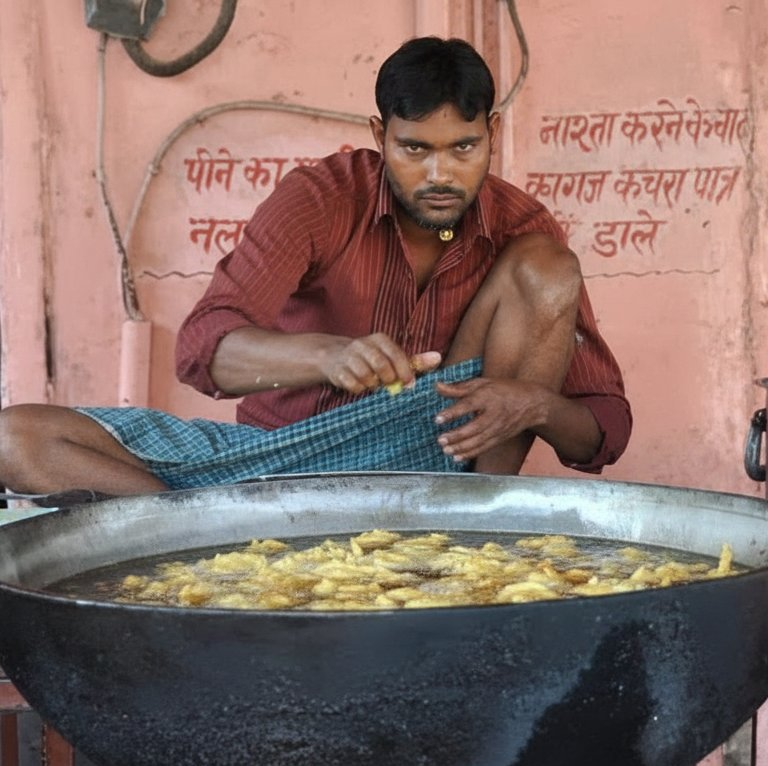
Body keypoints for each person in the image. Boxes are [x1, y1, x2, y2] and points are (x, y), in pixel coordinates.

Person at [0, 36, 631, 497]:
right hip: (276, 464)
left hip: (433, 473)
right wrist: (326, 355)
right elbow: (202, 348)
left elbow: (604, 429)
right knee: (16, 438)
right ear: (379, 134)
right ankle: (202, 533)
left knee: (547, 267)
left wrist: (534, 407)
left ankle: (475, 530)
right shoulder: (320, 199)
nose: (440, 174)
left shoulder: (522, 228)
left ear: (491, 133)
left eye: (464, 148)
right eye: (414, 149)